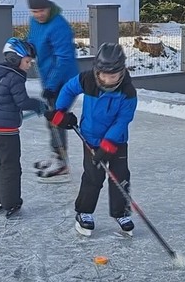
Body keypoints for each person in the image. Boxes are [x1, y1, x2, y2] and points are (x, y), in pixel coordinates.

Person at [47, 43, 138, 237]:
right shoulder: (87, 79)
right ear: (97, 70)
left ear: (122, 71)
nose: (108, 80)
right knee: (93, 176)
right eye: (104, 75)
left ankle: (121, 212)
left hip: (117, 141)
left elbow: (123, 120)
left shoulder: (128, 91)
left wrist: (109, 142)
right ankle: (84, 212)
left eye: (113, 76)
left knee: (120, 176)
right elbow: (69, 89)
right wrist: (60, 111)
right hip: (90, 138)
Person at [0, 37, 47, 219]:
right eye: (27, 61)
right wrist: (38, 105)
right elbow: (22, 102)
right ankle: (11, 202)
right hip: (7, 132)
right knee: (10, 167)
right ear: (15, 59)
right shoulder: (15, 77)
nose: (29, 65)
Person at [27, 0, 80, 183]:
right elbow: (32, 42)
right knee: (51, 119)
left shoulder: (59, 26)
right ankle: (56, 154)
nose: (39, 14)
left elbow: (64, 59)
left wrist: (52, 86)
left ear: (48, 6)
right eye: (34, 11)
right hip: (49, 79)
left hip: (64, 81)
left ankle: (61, 162)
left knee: (57, 118)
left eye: (42, 10)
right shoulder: (34, 22)